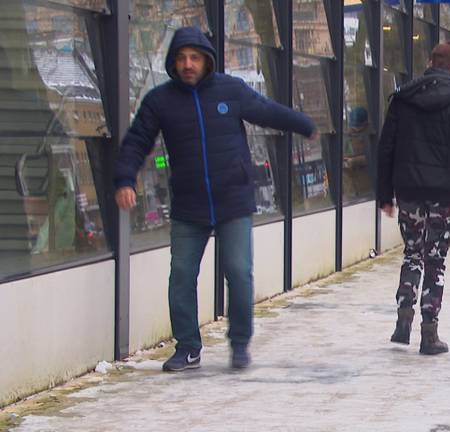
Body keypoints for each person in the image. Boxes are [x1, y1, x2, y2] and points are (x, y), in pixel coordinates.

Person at [114, 27, 316, 372]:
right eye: (180, 58)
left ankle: (240, 344)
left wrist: (304, 124)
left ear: (206, 60)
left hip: (233, 199)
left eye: (193, 57)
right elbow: (136, 141)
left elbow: (266, 111)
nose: (187, 64)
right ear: (173, 63)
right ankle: (188, 348)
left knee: (238, 272)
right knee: (181, 275)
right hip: (189, 206)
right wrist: (125, 178)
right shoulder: (159, 101)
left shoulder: (229, 90)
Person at [378, 40, 450, 355]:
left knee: (412, 253)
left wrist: (384, 194)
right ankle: (429, 333)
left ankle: (403, 321)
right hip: (444, 193)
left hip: (409, 190)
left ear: (431, 62)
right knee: (436, 259)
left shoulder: (404, 98)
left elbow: (386, 147)